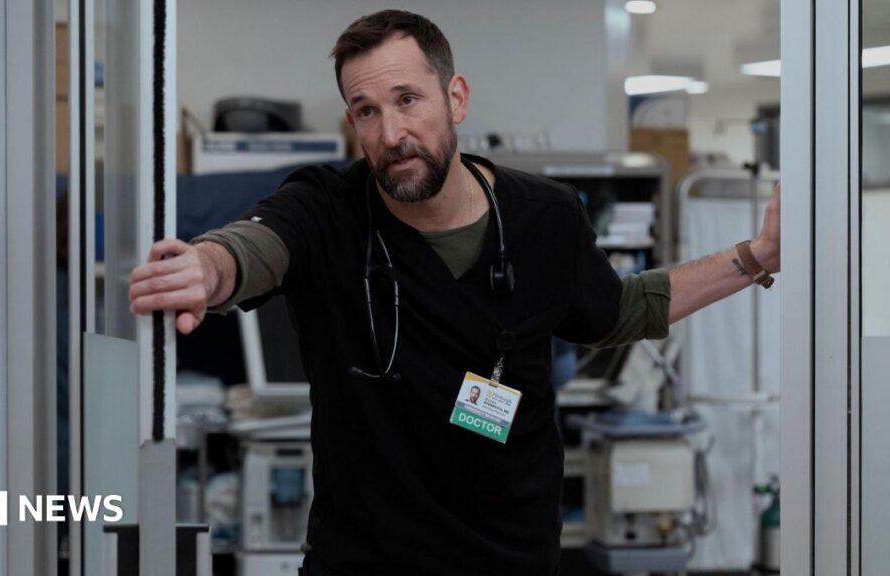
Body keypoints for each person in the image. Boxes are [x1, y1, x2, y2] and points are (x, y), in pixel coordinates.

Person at [129, 10, 781, 575]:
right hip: (361, 563)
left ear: (456, 97)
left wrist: (756, 256)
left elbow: (620, 309)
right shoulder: (327, 208)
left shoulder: (544, 218)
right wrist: (206, 270)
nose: (390, 134)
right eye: (367, 111)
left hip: (509, 561)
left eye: (408, 99)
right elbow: (255, 248)